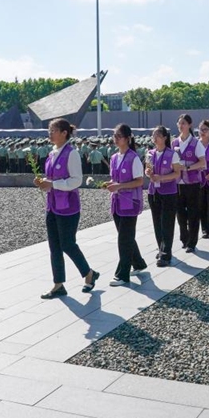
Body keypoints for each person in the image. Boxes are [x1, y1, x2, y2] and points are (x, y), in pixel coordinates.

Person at [35, 119, 100, 298]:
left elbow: (76, 180)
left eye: (53, 130)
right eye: (49, 130)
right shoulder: (52, 153)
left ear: (64, 133)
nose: (50, 134)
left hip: (68, 207)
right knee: (54, 246)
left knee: (68, 244)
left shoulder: (71, 154)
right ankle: (58, 284)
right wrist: (44, 183)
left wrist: (53, 184)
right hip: (53, 205)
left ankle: (88, 273)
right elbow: (52, 179)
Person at [107, 124, 147, 286]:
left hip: (130, 203)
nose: (115, 139)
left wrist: (119, 186)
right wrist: (110, 184)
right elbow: (114, 179)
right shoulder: (114, 158)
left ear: (128, 138)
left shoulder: (134, 158)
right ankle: (138, 263)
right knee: (126, 236)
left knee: (124, 238)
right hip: (117, 202)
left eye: (119, 136)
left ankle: (122, 274)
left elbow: (139, 181)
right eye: (114, 136)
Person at [146, 126, 182, 267]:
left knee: (167, 222)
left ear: (165, 138)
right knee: (157, 222)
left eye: (158, 135)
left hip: (168, 192)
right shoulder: (150, 153)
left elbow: (177, 173)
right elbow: (147, 169)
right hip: (153, 192)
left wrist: (161, 177)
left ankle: (166, 252)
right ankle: (161, 247)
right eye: (153, 135)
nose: (154, 138)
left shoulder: (172, 154)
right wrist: (148, 172)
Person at [172, 114, 206, 253]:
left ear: (190, 125)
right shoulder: (174, 143)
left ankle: (192, 241)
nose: (181, 125)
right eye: (179, 123)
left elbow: (202, 162)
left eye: (184, 123)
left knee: (193, 212)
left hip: (192, 182)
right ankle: (184, 237)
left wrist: (187, 168)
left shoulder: (196, 143)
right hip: (178, 182)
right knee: (180, 213)